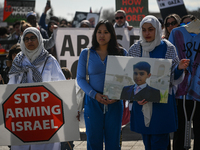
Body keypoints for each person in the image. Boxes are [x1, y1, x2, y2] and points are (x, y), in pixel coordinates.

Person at [128, 15, 189, 150]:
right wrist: (135, 97)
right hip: (141, 103)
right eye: (144, 30)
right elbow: (128, 76)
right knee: (148, 142)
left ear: (157, 29)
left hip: (162, 104)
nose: (147, 33)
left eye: (151, 29)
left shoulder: (168, 47)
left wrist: (179, 68)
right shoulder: (135, 48)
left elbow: (173, 77)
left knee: (159, 142)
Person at [8, 27, 66, 150]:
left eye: (33, 38)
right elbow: (11, 87)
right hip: (22, 115)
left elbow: (61, 87)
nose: (30, 41)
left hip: (45, 114)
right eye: (26, 39)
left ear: (39, 39)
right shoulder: (18, 60)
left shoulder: (49, 60)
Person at [77, 20, 127, 150]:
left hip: (115, 103)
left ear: (112, 34)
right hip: (93, 103)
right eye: (99, 32)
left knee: (113, 143)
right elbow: (80, 79)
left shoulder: (122, 53)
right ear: (95, 34)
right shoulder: (86, 53)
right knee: (93, 142)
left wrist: (117, 96)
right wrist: (95, 95)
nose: (102, 35)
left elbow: (128, 80)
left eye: (106, 32)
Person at [168, 15, 200, 150]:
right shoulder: (176, 33)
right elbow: (170, 58)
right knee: (180, 129)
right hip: (180, 90)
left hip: (197, 90)